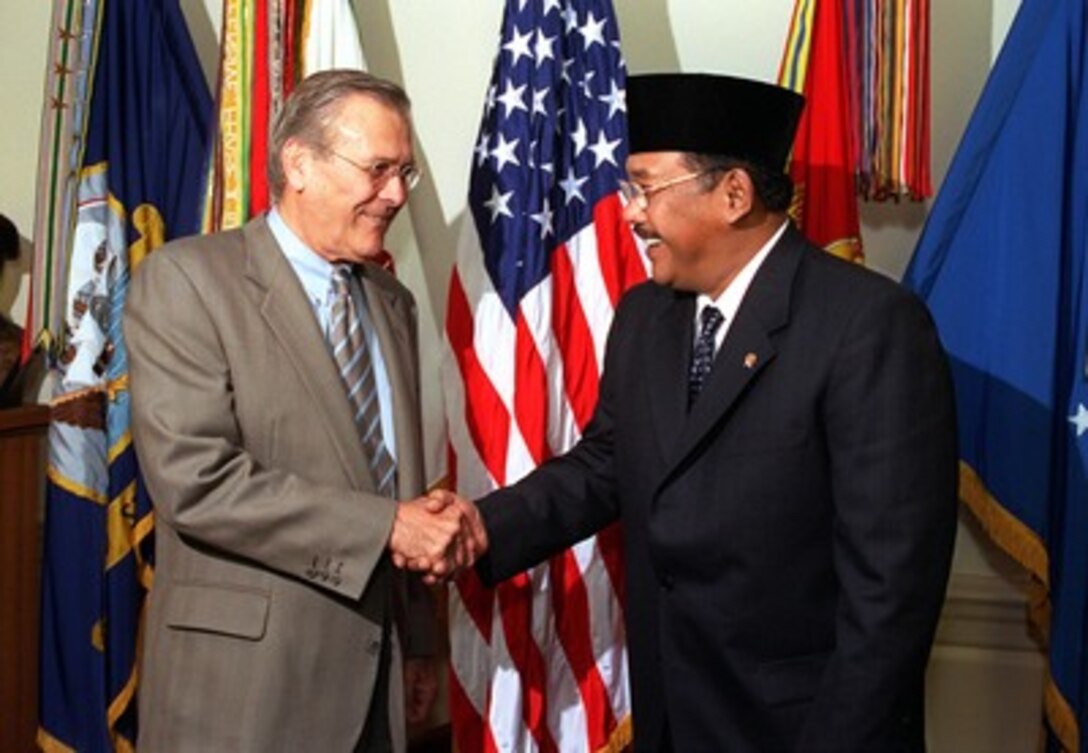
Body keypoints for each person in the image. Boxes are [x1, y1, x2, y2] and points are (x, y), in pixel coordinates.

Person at [432, 73, 958, 752]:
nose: (630, 212)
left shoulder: (868, 326)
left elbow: (891, 596)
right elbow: (606, 464)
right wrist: (480, 526)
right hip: (671, 715)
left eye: (645, 188)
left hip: (798, 728)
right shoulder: (646, 315)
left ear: (733, 194)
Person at [125, 70, 476, 752]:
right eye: (377, 169)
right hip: (245, 692)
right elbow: (196, 481)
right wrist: (388, 529)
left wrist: (423, 641)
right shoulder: (186, 281)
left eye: (406, 172)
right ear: (299, 163)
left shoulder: (391, 302)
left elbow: (391, 482)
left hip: (377, 683)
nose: (398, 194)